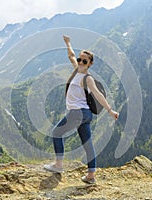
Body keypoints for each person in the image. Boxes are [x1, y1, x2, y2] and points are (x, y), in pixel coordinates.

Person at [44, 35, 119, 184]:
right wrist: (68, 42)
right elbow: (71, 55)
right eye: (80, 59)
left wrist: (110, 110)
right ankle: (91, 176)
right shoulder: (76, 71)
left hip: (78, 113)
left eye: (84, 61)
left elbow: (97, 94)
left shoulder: (87, 78)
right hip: (85, 115)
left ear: (90, 64)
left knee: (56, 133)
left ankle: (58, 165)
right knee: (88, 144)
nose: (80, 62)